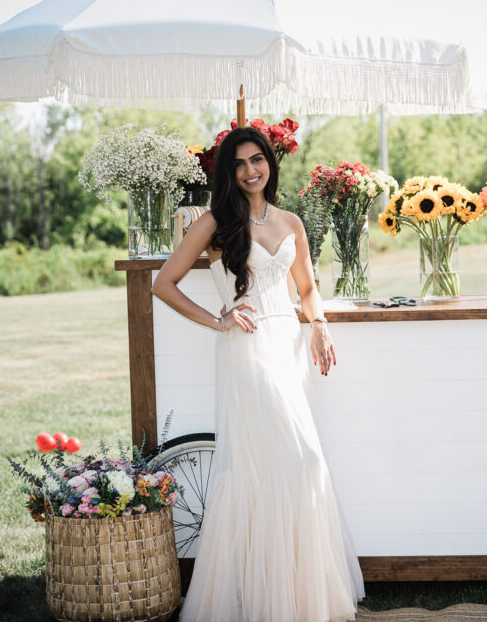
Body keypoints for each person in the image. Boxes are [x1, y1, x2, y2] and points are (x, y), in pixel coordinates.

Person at [151, 126, 366, 622]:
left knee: (290, 468)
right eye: (240, 164)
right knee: (290, 464)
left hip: (287, 350)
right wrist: (217, 319)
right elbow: (164, 284)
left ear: (271, 162)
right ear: (229, 173)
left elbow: (308, 288)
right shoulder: (213, 222)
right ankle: (259, 594)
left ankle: (292, 595)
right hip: (245, 351)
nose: (251, 170)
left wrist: (320, 326)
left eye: (258, 160)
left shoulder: (291, 222)